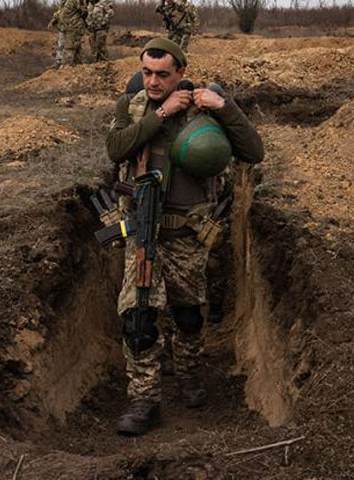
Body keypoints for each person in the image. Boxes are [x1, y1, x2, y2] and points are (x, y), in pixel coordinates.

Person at [106, 38, 264, 436]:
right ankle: (144, 400)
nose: (153, 80)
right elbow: (115, 149)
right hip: (144, 231)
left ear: (180, 73)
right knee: (138, 317)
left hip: (187, 236)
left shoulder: (204, 105)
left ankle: (190, 374)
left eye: (162, 74)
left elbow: (253, 151)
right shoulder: (136, 105)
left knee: (188, 315)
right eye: (146, 72)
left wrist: (224, 107)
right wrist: (160, 114)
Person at [55, 0, 88, 66]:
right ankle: (76, 66)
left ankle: (66, 66)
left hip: (73, 27)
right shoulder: (64, 1)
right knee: (70, 47)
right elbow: (61, 12)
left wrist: (75, 20)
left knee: (70, 48)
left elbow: (84, 12)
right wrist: (55, 20)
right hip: (65, 27)